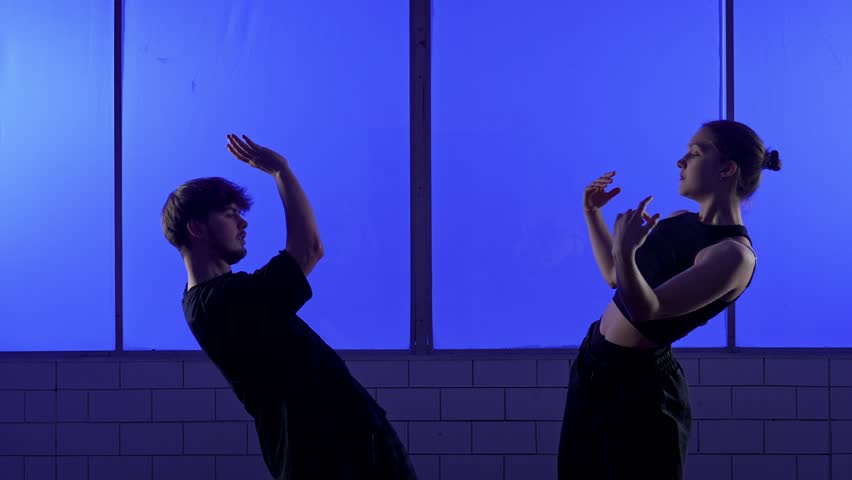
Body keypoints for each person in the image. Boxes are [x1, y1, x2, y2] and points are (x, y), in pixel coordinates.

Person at [161, 134, 417, 479]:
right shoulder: (219, 303)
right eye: (229, 214)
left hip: (344, 448)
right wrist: (281, 171)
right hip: (329, 458)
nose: (243, 223)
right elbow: (309, 249)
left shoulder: (218, 297)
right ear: (196, 228)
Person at [557, 120, 782, 479]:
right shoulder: (678, 220)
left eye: (695, 153)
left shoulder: (733, 255)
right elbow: (617, 278)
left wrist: (626, 251)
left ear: (727, 169)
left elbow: (647, 310)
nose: (681, 161)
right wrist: (592, 214)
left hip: (640, 390)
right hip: (594, 365)